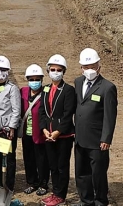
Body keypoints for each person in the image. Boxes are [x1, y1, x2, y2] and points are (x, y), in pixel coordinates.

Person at [73, 48, 117, 206]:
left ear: (99, 66)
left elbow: (110, 116)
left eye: (93, 66)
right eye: (86, 67)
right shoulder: (78, 83)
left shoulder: (107, 87)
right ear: (81, 68)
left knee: (98, 174)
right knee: (81, 173)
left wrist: (106, 138)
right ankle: (86, 200)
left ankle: (100, 201)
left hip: (97, 140)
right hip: (80, 138)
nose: (90, 70)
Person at [38, 54, 76, 206]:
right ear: (48, 71)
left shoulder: (68, 90)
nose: (55, 72)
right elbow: (42, 111)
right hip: (48, 135)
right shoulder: (46, 89)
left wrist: (58, 132)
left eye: (58, 70)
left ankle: (61, 195)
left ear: (63, 71)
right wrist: (44, 129)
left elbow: (68, 114)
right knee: (52, 165)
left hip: (63, 136)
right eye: (52, 69)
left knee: (62, 166)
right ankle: (55, 192)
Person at [0, 56, 20, 195]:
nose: (0, 73)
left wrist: (12, 127)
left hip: (7, 129)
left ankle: (9, 185)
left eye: (3, 70)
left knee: (8, 157)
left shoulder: (12, 89)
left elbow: (16, 110)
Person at [19, 64, 49, 196]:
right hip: (27, 133)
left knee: (42, 160)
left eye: (37, 79)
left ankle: (43, 184)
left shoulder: (45, 93)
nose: (34, 82)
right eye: (31, 79)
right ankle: (32, 182)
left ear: (42, 80)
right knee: (28, 158)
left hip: (40, 134)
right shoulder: (23, 92)